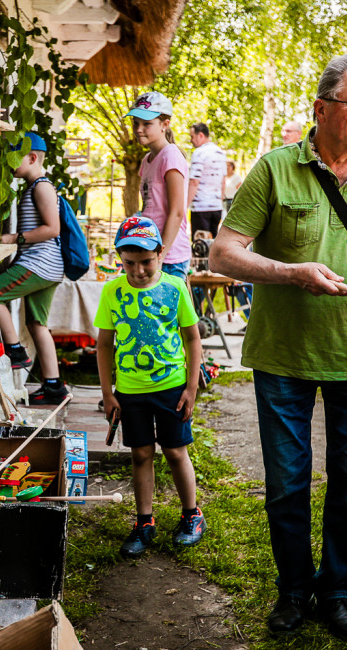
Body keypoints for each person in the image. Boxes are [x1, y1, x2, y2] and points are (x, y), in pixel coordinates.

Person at [209, 51, 347, 639]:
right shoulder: (275, 169)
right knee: (287, 482)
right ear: (321, 109)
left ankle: (338, 591)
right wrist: (291, 272)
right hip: (284, 357)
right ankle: (293, 591)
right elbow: (224, 253)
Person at [95, 216, 205, 556]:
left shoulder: (175, 288)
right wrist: (108, 393)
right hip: (130, 391)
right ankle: (144, 522)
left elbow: (192, 338)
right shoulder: (112, 291)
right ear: (119, 258)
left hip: (171, 387)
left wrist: (191, 387)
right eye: (129, 263)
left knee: (175, 451)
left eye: (146, 261)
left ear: (160, 253)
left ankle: (191, 515)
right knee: (140, 453)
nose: (138, 270)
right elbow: (103, 345)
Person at [0, 132, 69, 406]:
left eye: (14, 156)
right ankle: (54, 386)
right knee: (37, 324)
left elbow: (52, 229)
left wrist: (14, 238)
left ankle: (16, 352)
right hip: (49, 267)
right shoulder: (35, 187)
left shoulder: (42, 187)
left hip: (40, 264)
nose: (9, 162)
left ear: (32, 158)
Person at [126, 92, 191, 278]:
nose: (139, 129)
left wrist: (160, 256)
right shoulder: (147, 160)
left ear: (165, 124)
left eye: (147, 124)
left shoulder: (170, 156)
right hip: (148, 253)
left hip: (169, 258)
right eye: (136, 123)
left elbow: (177, 212)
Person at [187, 122, 227, 237]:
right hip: (216, 208)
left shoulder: (199, 153)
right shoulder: (221, 153)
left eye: (192, 136)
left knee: (200, 248)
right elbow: (223, 182)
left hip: (201, 208)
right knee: (211, 246)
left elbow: (194, 182)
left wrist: (185, 207)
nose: (191, 140)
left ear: (200, 135)